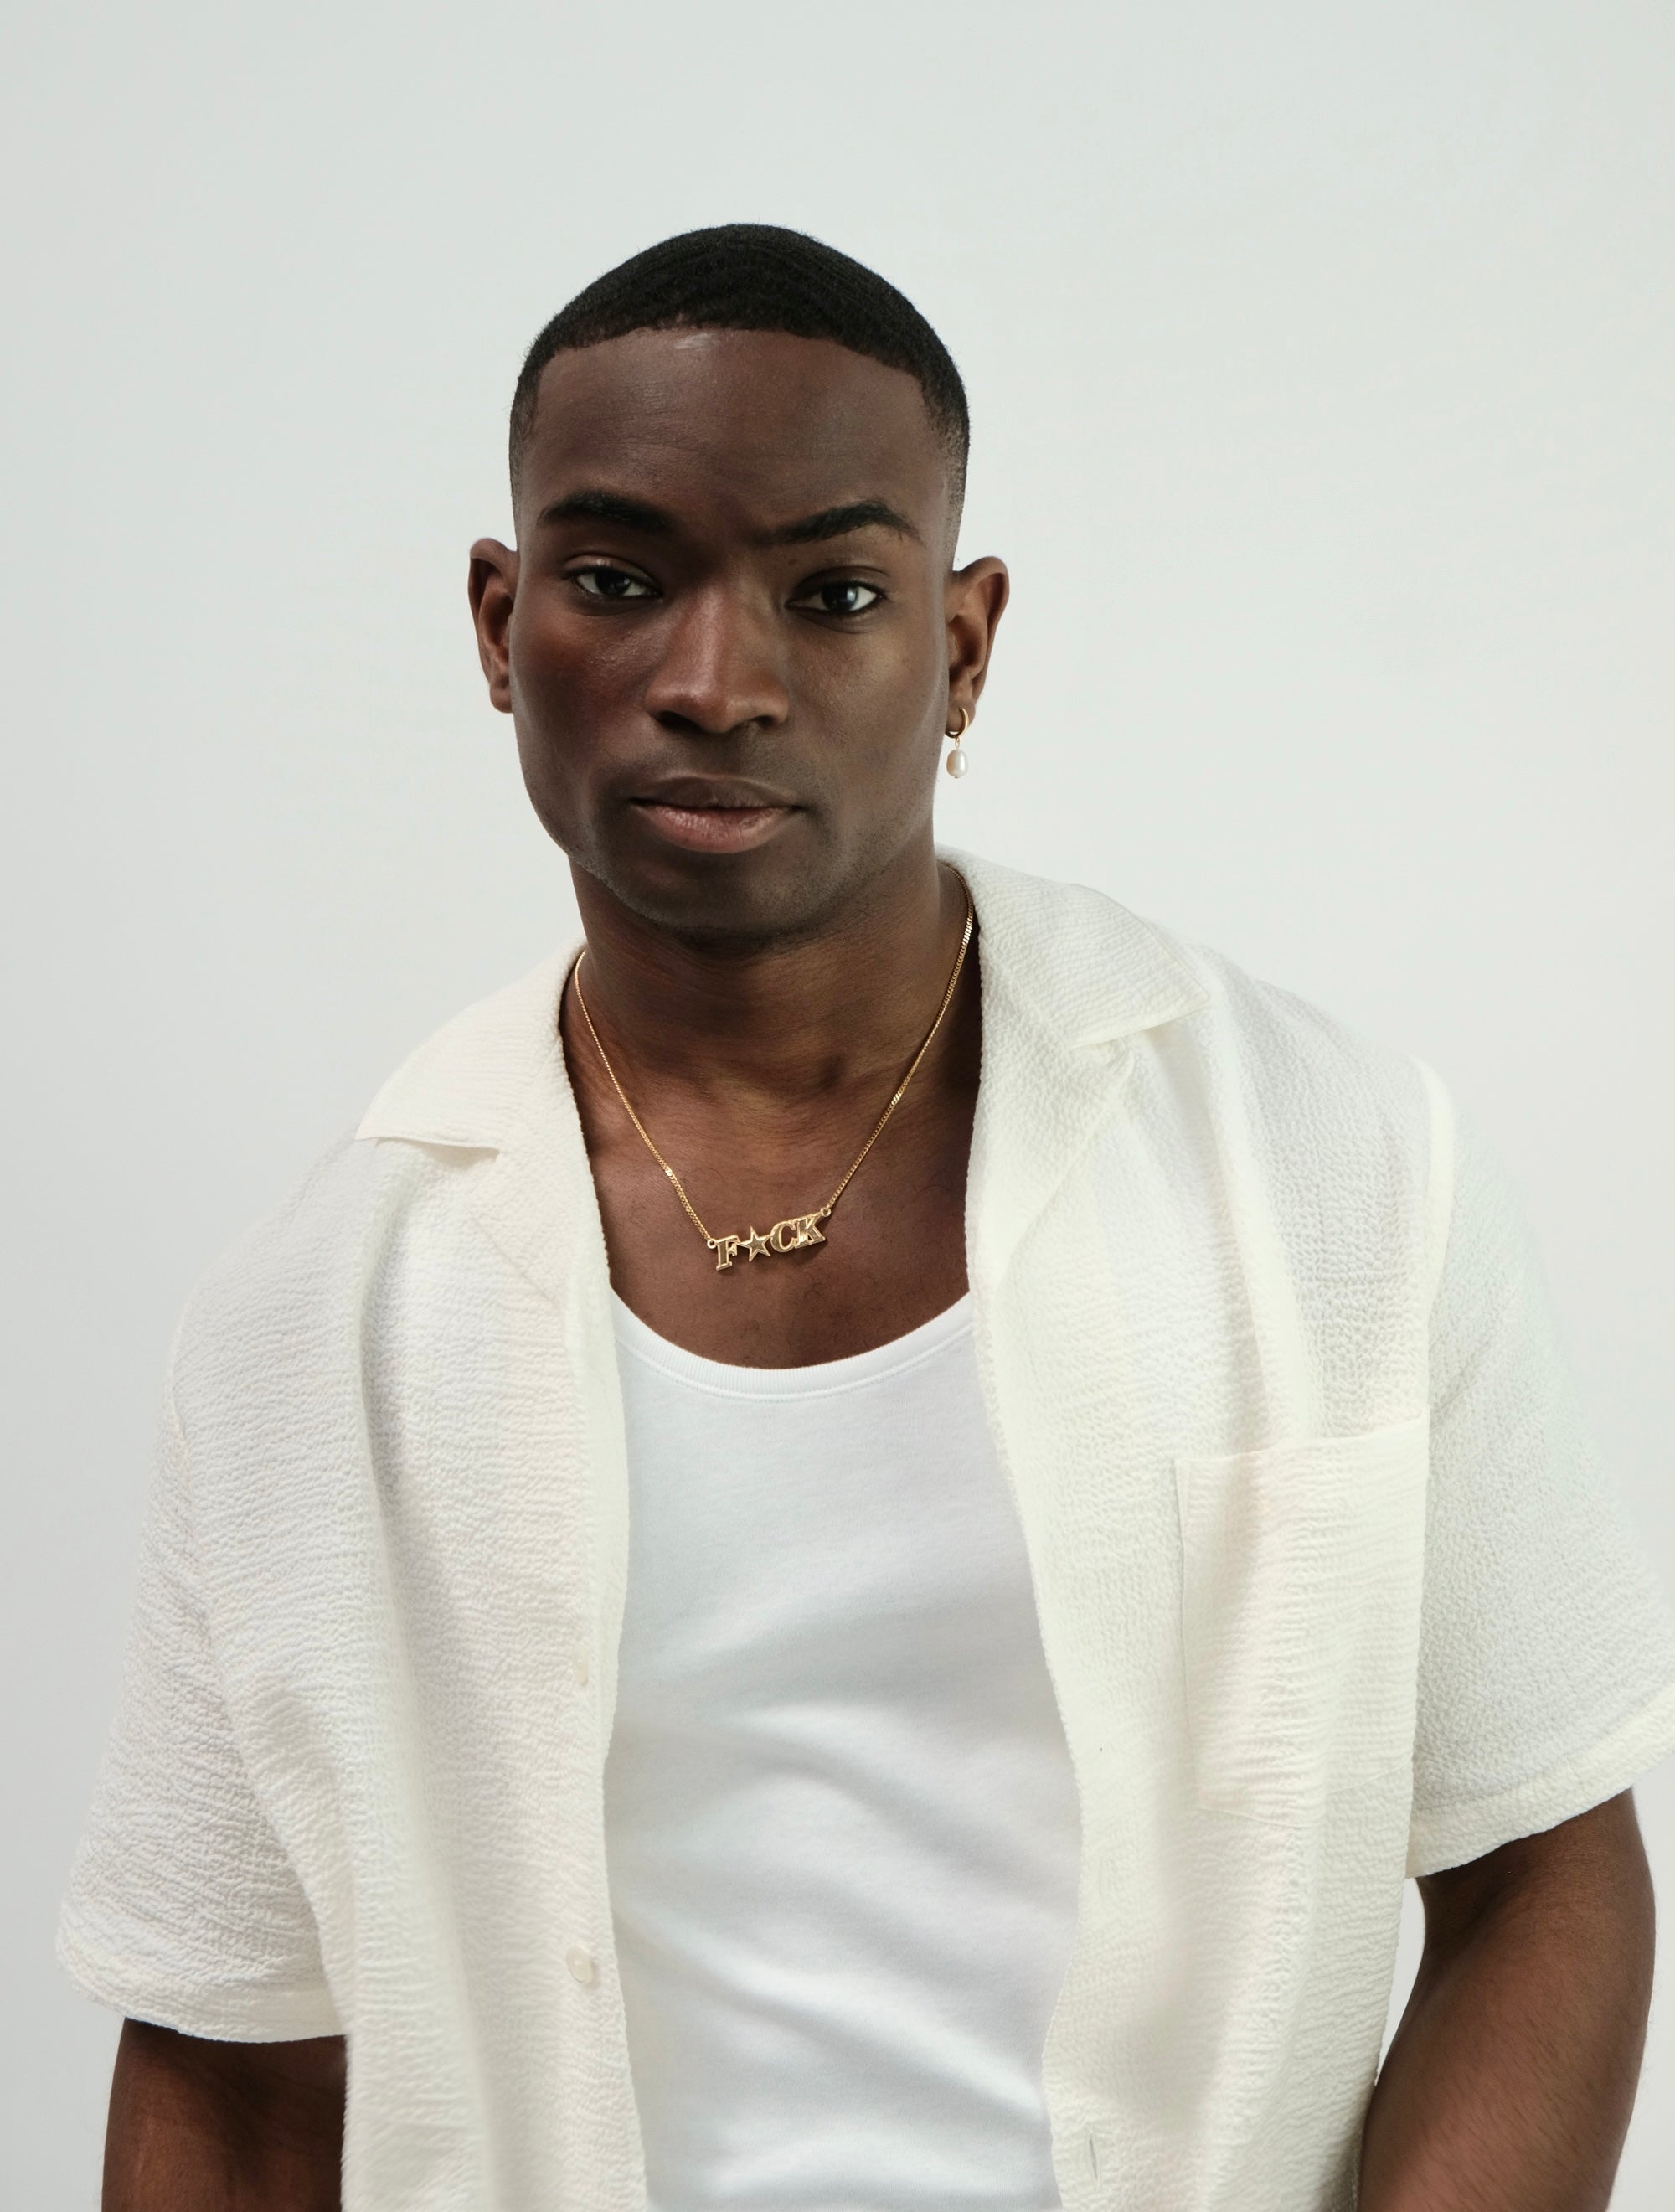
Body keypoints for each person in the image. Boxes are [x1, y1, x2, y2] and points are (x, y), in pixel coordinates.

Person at [65, 224, 1675, 2212]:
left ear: (963, 644)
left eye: (832, 592)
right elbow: (230, 2065)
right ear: (498, 623)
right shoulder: (307, 1326)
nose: (714, 682)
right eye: (617, 579)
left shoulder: (1333, 1165)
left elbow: (1537, 1869)